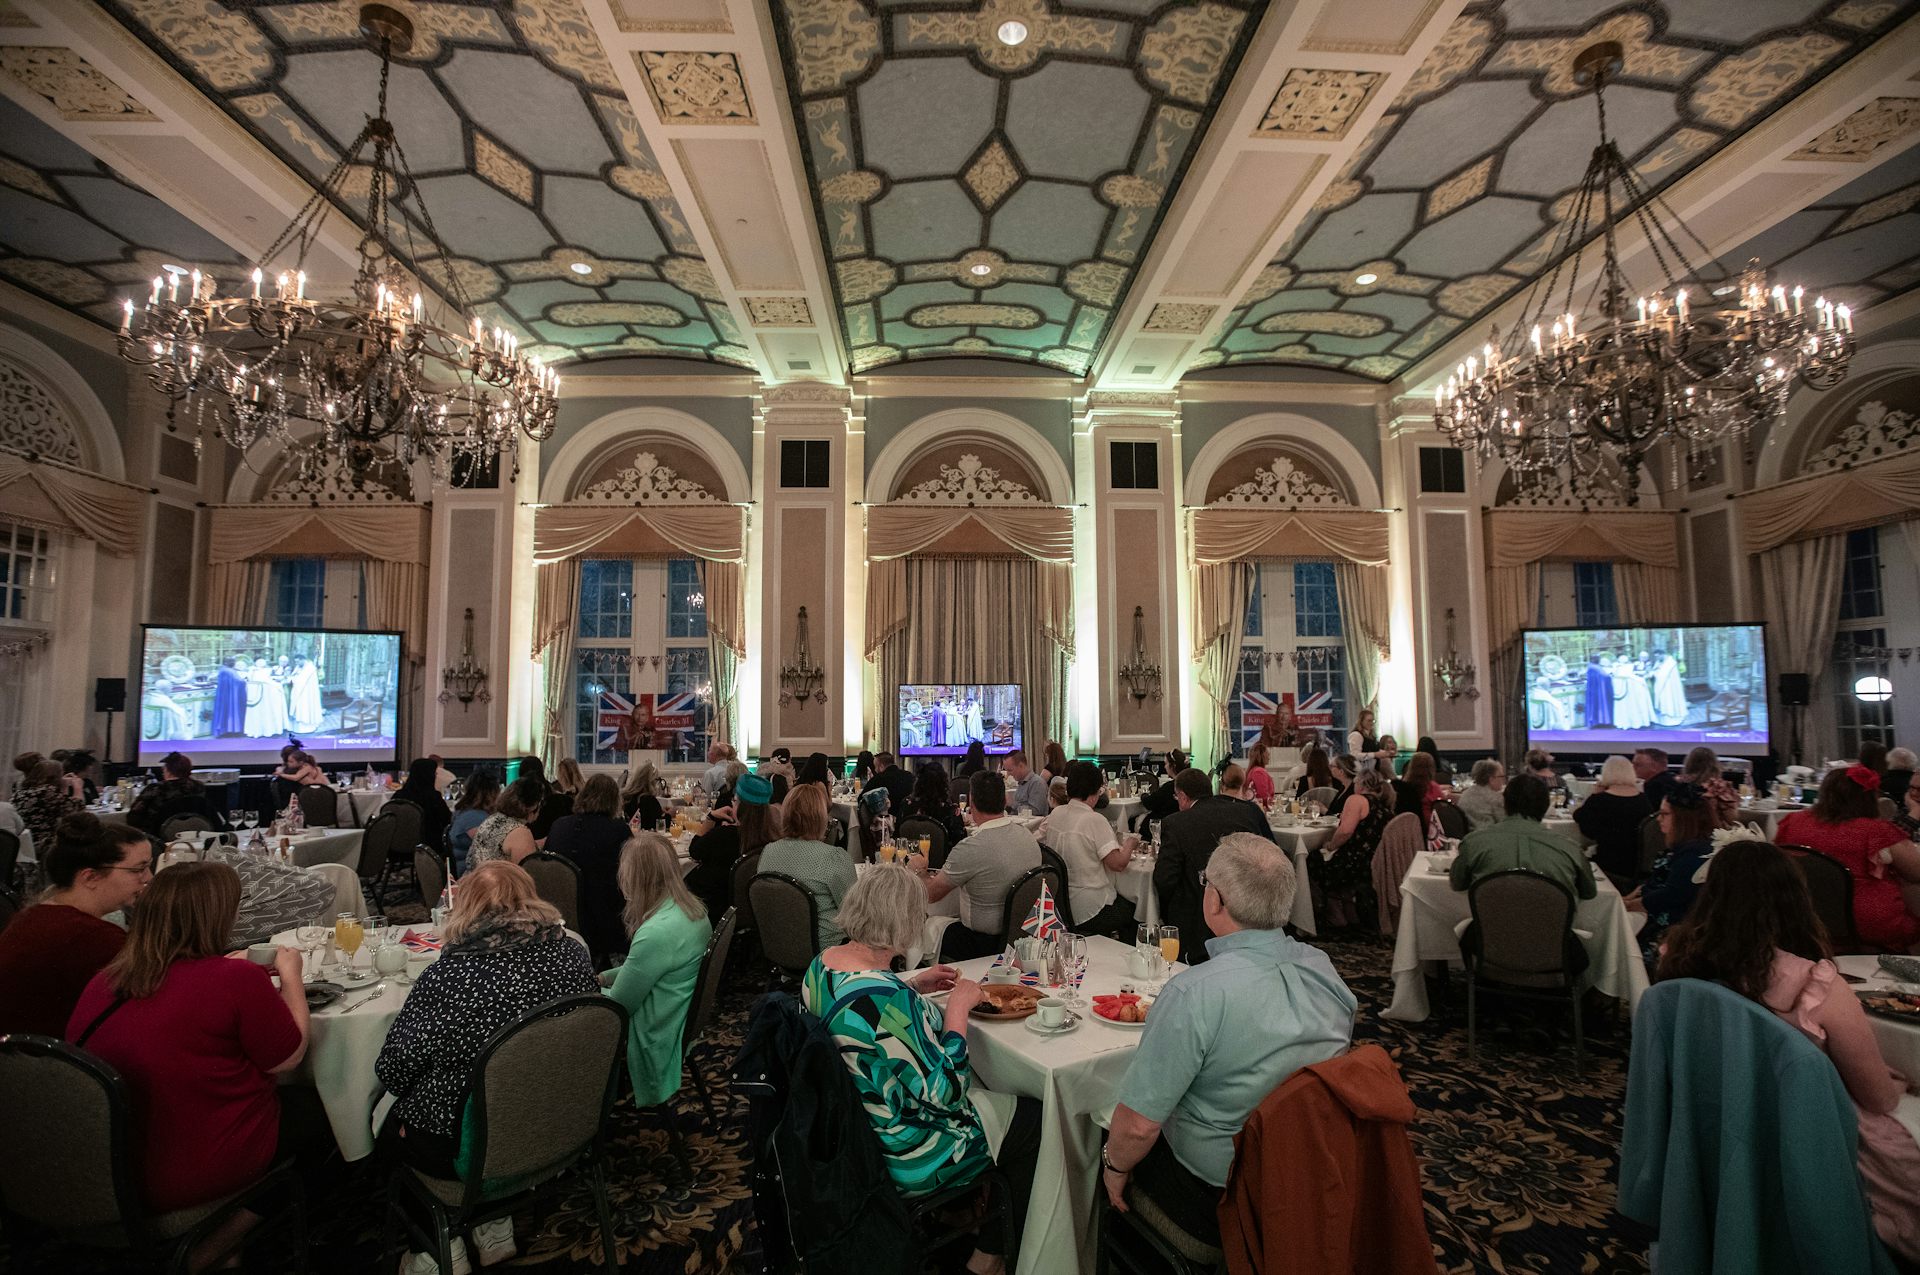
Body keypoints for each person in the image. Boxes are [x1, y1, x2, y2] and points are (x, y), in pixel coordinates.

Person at [1656, 839, 1920, 1262]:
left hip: (1712, 1117)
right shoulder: (1816, 986)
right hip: (1804, 1135)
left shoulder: (1675, 961)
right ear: (1795, 900)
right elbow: (1877, 1097)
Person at [1102, 837, 1356, 1249]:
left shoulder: (1194, 993)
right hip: (1308, 1166)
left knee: (1099, 1139)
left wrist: (1113, 1166)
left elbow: (1139, 1126)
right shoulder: (1326, 971)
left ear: (1214, 901)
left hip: (1219, 1190)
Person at [67, 862, 313, 1265]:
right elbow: (290, 1056)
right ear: (217, 916)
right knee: (332, 1122)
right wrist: (292, 979)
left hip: (106, 1163)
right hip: (186, 1166)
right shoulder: (233, 979)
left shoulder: (104, 981)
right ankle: (208, 1250)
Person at [805, 865, 1042, 1275]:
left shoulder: (822, 967)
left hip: (854, 1127)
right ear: (905, 922)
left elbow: (864, 1019)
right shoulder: (888, 998)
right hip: (905, 1151)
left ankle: (960, 1212)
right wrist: (957, 1012)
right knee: (1038, 1120)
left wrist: (913, 986)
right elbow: (947, 1091)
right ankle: (988, 1256)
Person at [377, 861, 598, 1273]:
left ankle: (436, 1251)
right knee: (495, 1093)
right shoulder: (572, 952)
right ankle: (494, 1223)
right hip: (562, 1117)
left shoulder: (450, 976)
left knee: (390, 1122)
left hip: (472, 1146)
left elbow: (392, 1072)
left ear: (467, 908)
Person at [0, 814, 149, 1035]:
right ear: (90, 877)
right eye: (139, 869)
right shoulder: (92, 938)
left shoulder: (36, 914)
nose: (149, 877)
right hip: (50, 1061)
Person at [602, 831, 711, 1108]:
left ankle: (584, 1116)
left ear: (634, 878)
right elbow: (646, 969)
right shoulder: (693, 910)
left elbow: (619, 1006)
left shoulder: (656, 933)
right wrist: (604, 977)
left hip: (656, 1025)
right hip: (677, 1011)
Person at [1778, 766, 1920, 951]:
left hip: (1804, 917)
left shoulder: (1793, 822)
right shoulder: (1874, 831)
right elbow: (1916, 872)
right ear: (1869, 798)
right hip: (1865, 922)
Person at [914, 769, 1042, 958]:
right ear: (1005, 801)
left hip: (981, 943)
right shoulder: (1028, 836)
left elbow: (931, 895)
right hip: (1025, 936)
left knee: (917, 927)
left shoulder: (970, 848)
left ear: (971, 804)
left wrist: (920, 871)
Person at [1156, 770, 1277, 962]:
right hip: (1255, 907)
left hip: (1199, 918)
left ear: (1182, 796)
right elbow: (1272, 853)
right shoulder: (1249, 810)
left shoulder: (1175, 823)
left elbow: (1165, 879)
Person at [1450, 773, 1594, 903]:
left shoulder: (1473, 843)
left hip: (1489, 929)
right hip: (1553, 930)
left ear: (1505, 804)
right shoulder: (1571, 849)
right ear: (1545, 808)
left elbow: (1457, 884)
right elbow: (1589, 893)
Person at [1625, 783, 1718, 971]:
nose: (1658, 819)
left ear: (1684, 819)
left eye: (1665, 814)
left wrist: (1626, 906)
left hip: (1673, 931)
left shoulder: (1696, 853)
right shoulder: (1688, 848)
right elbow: (1658, 884)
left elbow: (1672, 894)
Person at [545, 775, 634, 968]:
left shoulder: (559, 825)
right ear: (614, 800)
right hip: (603, 916)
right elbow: (630, 874)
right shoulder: (618, 830)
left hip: (559, 909)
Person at [1043, 760, 1135, 938]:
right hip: (1089, 907)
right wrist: (1130, 844)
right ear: (1096, 792)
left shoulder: (1056, 813)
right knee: (1136, 909)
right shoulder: (1094, 820)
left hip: (1060, 902)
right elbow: (1118, 864)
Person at [758, 784, 857, 949]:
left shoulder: (768, 851)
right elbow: (855, 912)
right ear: (821, 817)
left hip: (778, 945)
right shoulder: (833, 858)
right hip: (827, 951)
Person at [1311, 760, 1392, 928]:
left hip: (1355, 862)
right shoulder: (1384, 803)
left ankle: (1332, 911)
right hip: (1375, 860)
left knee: (1311, 859)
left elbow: (1345, 832)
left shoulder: (1356, 800)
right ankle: (1348, 910)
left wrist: (1330, 846)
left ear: (1360, 784)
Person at [687, 775, 779, 917]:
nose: (732, 804)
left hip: (710, 909)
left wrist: (711, 817)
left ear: (742, 807)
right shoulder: (772, 839)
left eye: (735, 801)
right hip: (749, 912)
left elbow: (694, 851)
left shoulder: (724, 836)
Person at [1575, 755, 1655, 887]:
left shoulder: (1600, 801)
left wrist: (1594, 794)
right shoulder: (1644, 801)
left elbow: (1583, 823)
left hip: (1609, 863)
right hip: (1637, 865)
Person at [13, 759, 80, 871]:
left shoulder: (20, 792)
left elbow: (63, 808)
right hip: (44, 843)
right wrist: (78, 787)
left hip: (25, 843)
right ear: (55, 777)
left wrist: (63, 788)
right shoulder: (47, 791)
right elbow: (76, 811)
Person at [466, 777, 541, 866]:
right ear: (533, 806)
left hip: (475, 877)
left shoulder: (492, 820)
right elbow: (526, 875)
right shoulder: (520, 833)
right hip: (497, 879)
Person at [902, 761, 968, 850]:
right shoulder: (950, 811)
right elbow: (960, 843)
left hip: (910, 857)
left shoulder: (906, 805)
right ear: (944, 784)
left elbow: (899, 835)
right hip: (943, 861)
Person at [393, 757, 452, 854]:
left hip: (396, 847)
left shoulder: (398, 796)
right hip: (427, 848)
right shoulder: (433, 797)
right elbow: (447, 820)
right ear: (429, 775)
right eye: (434, 773)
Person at [449, 768, 499, 874]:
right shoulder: (474, 818)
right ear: (492, 793)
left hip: (473, 869)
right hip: (472, 874)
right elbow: (491, 848)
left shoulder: (463, 812)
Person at [1680, 746, 1739, 828]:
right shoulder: (1719, 787)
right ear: (1714, 765)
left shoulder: (1677, 784)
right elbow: (1732, 818)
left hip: (1680, 832)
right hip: (1713, 834)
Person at [1392, 751, 1446, 828]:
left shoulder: (1401, 788)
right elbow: (1443, 810)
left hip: (1403, 829)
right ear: (1431, 769)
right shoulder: (1432, 788)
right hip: (1430, 830)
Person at [1456, 759, 1506, 831]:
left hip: (1468, 838)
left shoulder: (1465, 794)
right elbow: (1505, 824)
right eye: (1501, 776)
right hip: (1490, 837)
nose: (1503, 780)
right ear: (1491, 779)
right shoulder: (1496, 798)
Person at [862, 749, 914, 817]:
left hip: (886, 820)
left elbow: (862, 800)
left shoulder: (878, 779)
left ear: (881, 766)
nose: (875, 770)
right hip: (907, 819)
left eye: (875, 767)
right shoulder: (909, 776)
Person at [620, 757, 665, 829]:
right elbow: (659, 825)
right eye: (657, 779)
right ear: (651, 781)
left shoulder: (627, 797)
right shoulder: (649, 801)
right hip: (646, 838)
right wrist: (669, 815)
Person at [1004, 749, 1050, 818]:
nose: (1008, 774)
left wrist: (1012, 804)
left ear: (1021, 766)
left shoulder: (1037, 783)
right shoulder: (1021, 783)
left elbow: (1036, 811)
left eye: (1010, 770)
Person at [1649, 648, 1688, 726]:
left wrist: (1655, 673)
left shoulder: (1671, 663)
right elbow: (1656, 670)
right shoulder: (1659, 661)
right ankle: (1664, 717)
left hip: (1670, 687)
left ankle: (1672, 717)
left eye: (1658, 656)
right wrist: (1653, 672)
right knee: (1663, 702)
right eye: (1656, 657)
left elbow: (1662, 675)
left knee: (1669, 701)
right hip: (1661, 686)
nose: (1657, 658)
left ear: (1662, 654)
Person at [286, 654, 324, 734]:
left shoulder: (310, 669)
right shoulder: (298, 667)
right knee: (297, 709)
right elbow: (294, 675)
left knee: (305, 709)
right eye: (295, 662)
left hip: (306, 693)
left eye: (298, 661)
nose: (297, 663)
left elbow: (300, 681)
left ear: (303, 660)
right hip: (298, 691)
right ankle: (296, 728)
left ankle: (307, 728)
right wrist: (290, 678)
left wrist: (292, 679)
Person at [212, 656, 249, 736]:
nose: (234, 663)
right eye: (232, 662)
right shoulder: (231, 671)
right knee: (232, 711)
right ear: (228, 662)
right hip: (231, 697)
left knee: (224, 712)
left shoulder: (222, 669)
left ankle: (224, 730)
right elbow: (240, 682)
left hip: (224, 696)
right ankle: (233, 729)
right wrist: (245, 680)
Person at [1582, 652, 1615, 730]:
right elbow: (1605, 677)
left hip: (1596, 691)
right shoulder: (1595, 667)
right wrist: (1610, 675)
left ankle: (1598, 721)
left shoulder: (1592, 666)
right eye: (1597, 658)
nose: (1598, 660)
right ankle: (1602, 721)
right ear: (1593, 659)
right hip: (1599, 691)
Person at [1244, 742, 1277, 808]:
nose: (1269, 756)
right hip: (1260, 809)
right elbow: (1263, 796)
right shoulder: (1259, 772)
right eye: (1267, 753)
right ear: (1262, 755)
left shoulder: (1253, 770)